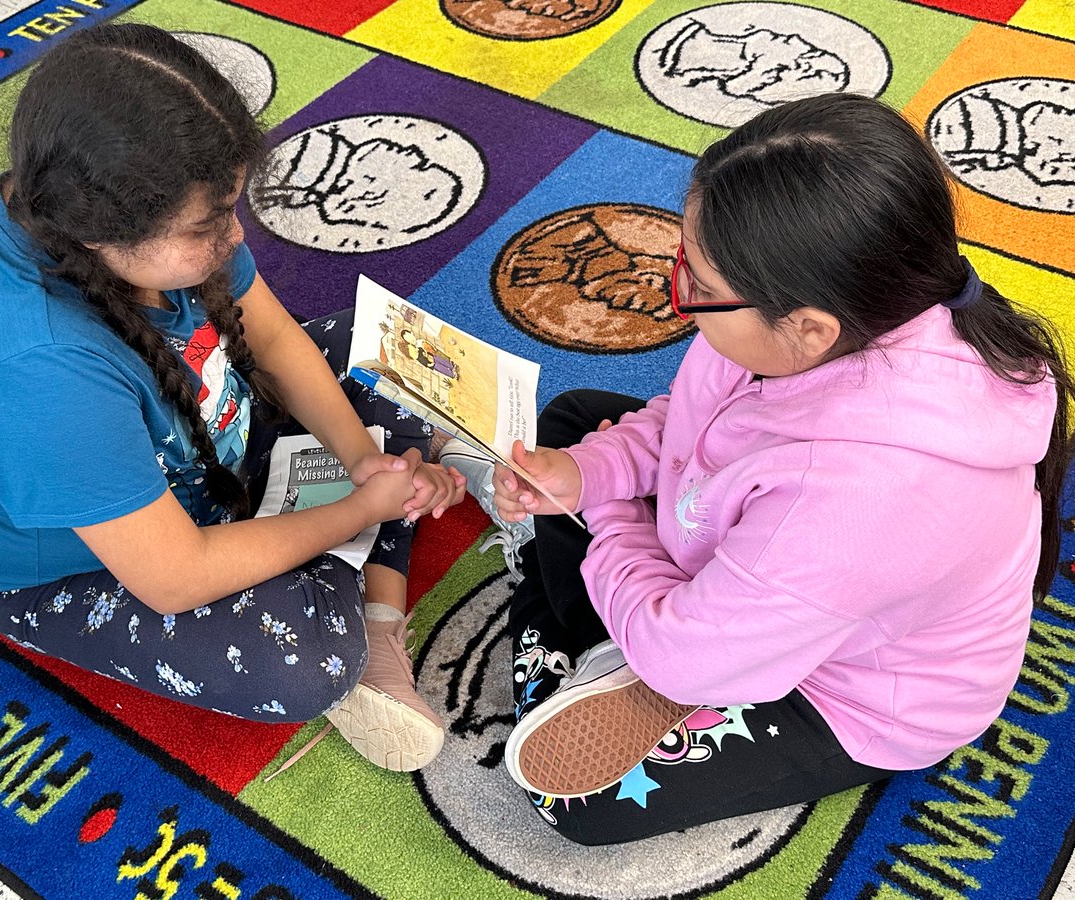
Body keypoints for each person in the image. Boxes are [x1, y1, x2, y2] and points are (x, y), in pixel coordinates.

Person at [448, 92, 1070, 844]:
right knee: (579, 421)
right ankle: (615, 628)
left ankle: (588, 632)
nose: (677, 296)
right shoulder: (837, 311)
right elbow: (683, 420)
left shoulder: (867, 499)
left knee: (577, 804)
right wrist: (583, 473)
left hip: (848, 692)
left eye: (700, 288)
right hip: (756, 560)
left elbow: (683, 657)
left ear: (807, 329)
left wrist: (601, 511)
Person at [0, 23, 466, 773]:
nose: (235, 237)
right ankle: (359, 625)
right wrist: (364, 508)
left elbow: (270, 332)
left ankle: (376, 618)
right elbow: (176, 577)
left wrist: (363, 463)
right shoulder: (37, 374)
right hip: (83, 568)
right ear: (101, 229)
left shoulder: (90, 202)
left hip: (198, 449)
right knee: (302, 663)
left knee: (401, 359)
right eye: (208, 223)